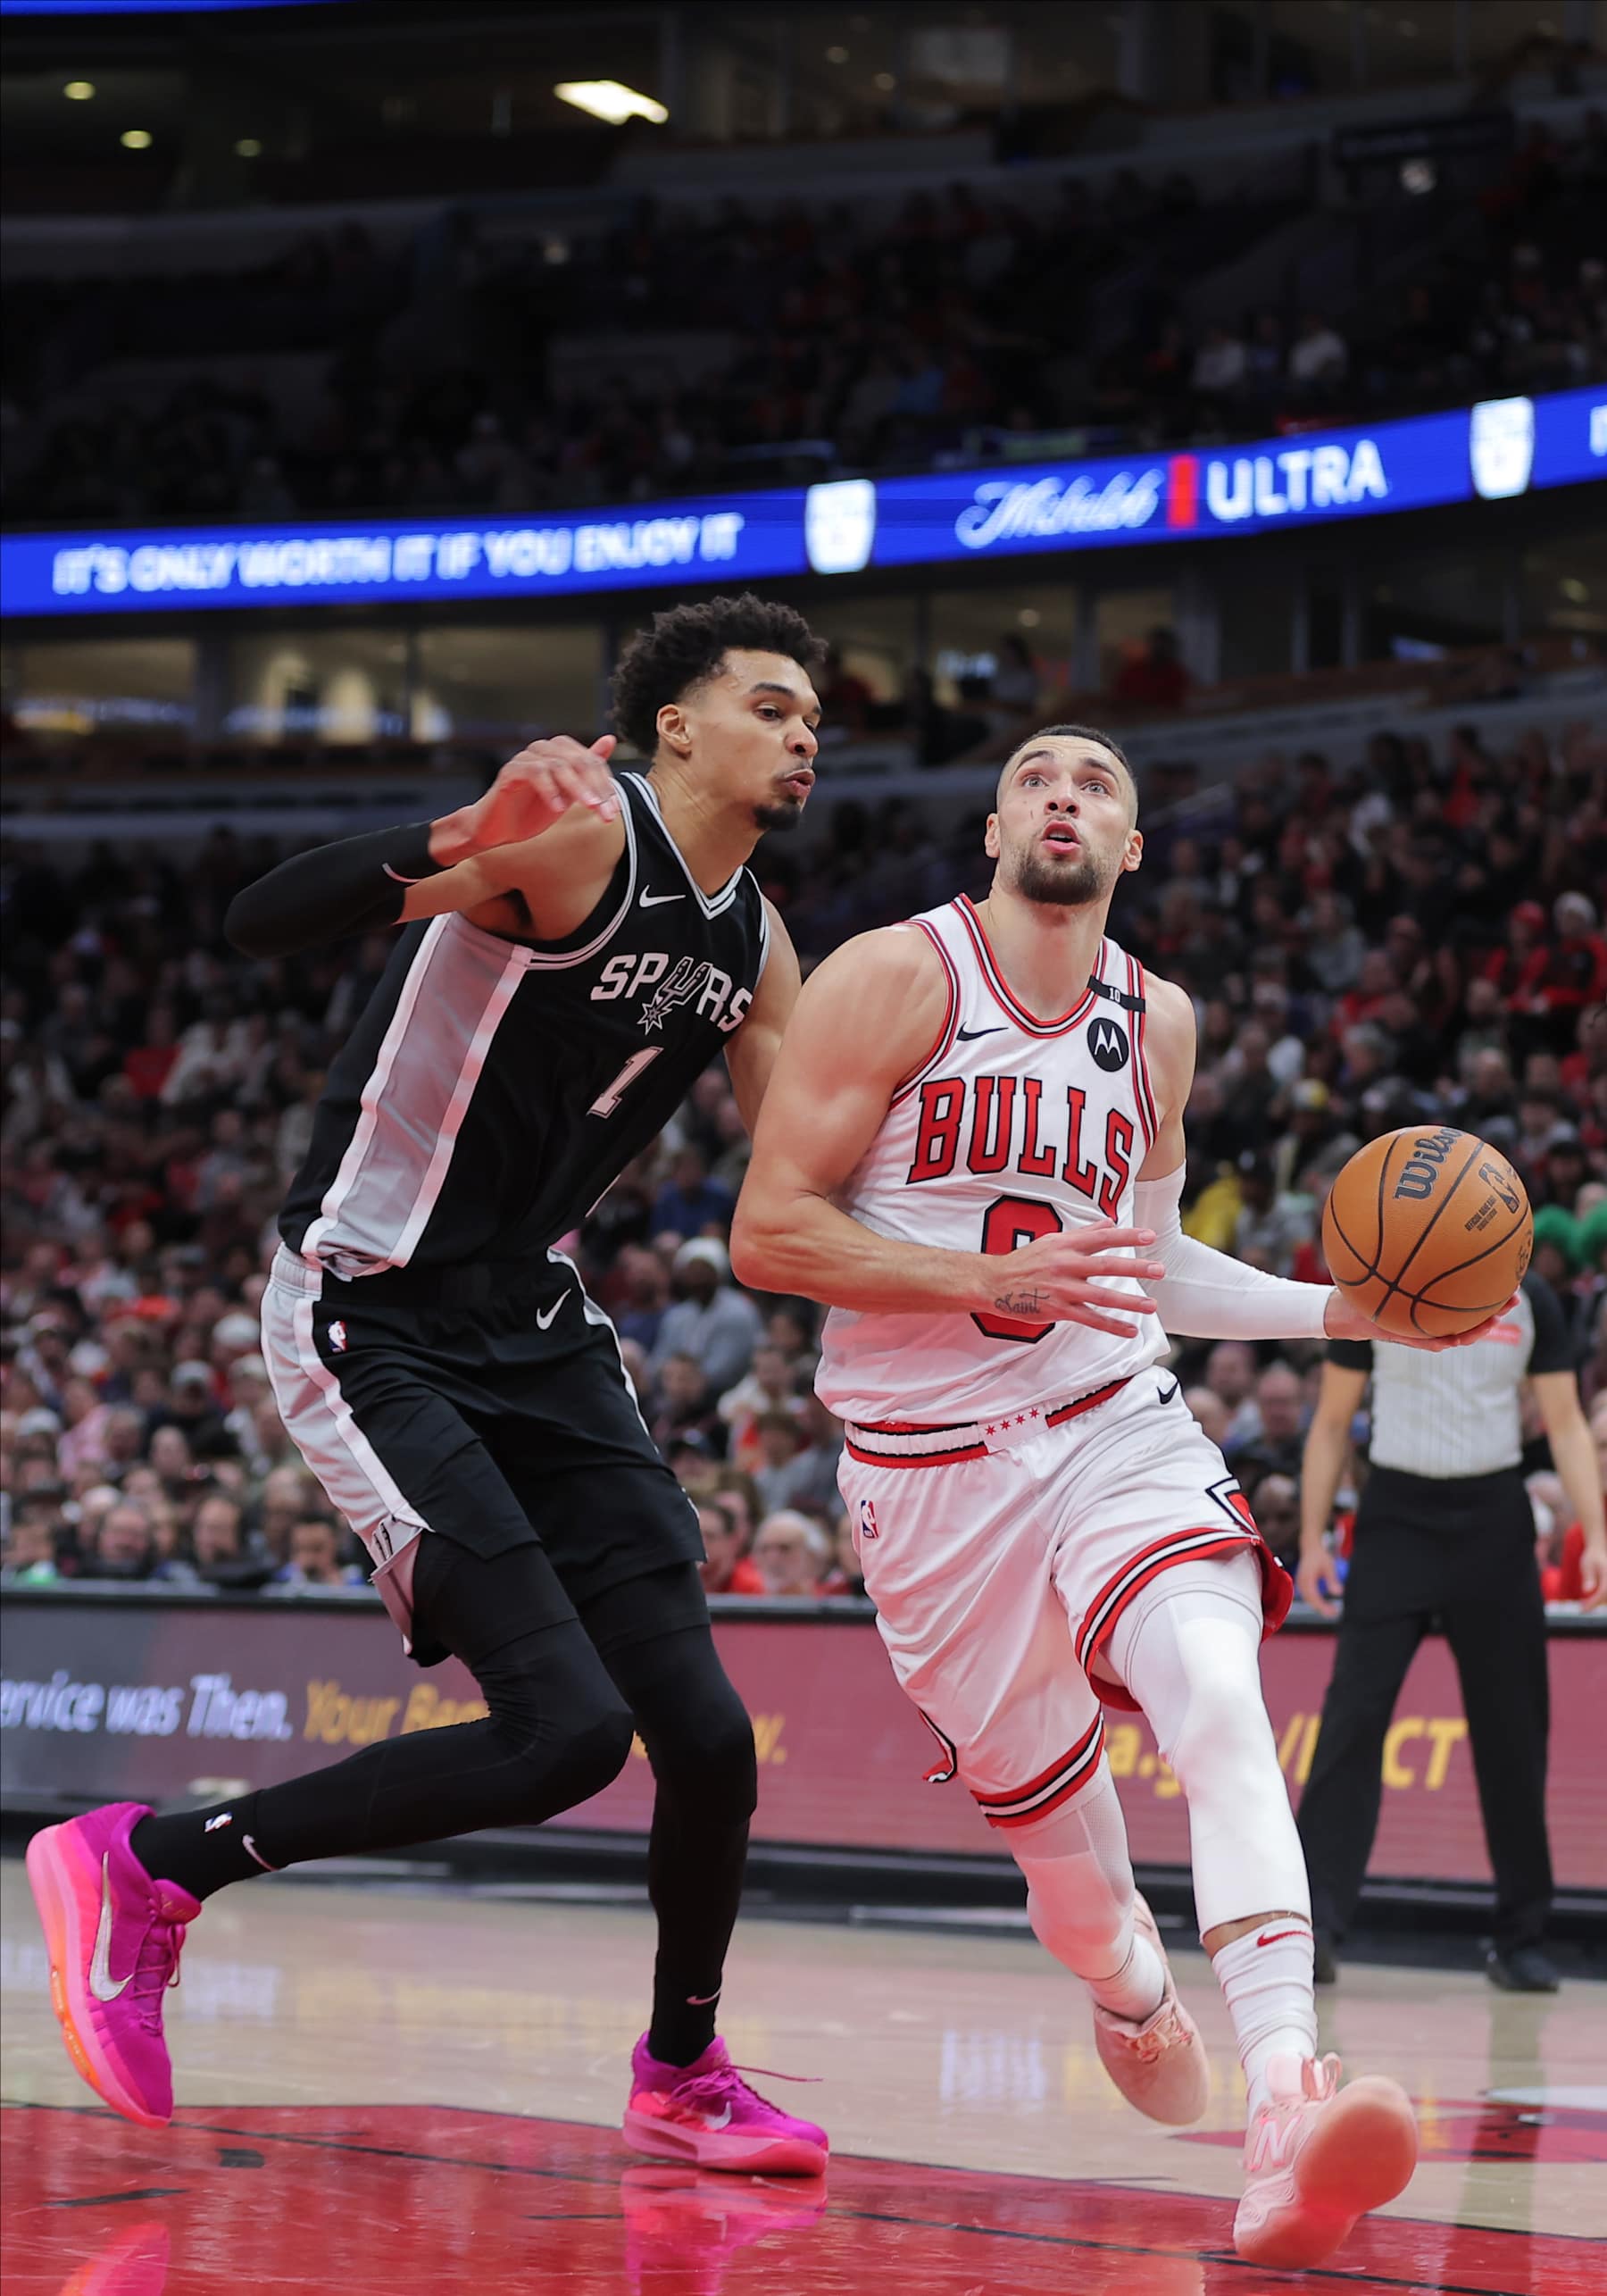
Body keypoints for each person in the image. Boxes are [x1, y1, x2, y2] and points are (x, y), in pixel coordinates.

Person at [25, 592, 829, 2177]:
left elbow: (798, 1169)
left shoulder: (755, 934)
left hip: (535, 1325)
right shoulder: (573, 840)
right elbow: (264, 918)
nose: (804, 732)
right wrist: (452, 826)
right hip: (368, 1313)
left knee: (710, 1740)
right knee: (565, 1735)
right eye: (771, 703)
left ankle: (682, 2070)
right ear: (678, 723)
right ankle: (153, 1863)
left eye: (815, 715)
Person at [731, 722, 1498, 2269]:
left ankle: (1287, 2095)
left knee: (1219, 1695)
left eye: (1096, 786)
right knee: (1078, 1890)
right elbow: (769, 1231)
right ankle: (1130, 1985)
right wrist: (983, 1272)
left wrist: (1343, 1310)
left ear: (1131, 847)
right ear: (997, 827)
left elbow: (1146, 1272)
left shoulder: (1158, 1023)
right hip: (927, 1483)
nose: (1063, 795)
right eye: (1035, 778)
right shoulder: (894, 977)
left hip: (1108, 1424)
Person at [1294, 1272, 1605, 1991]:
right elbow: (1334, 1422)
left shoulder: (1537, 1301)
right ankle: (1313, 1925)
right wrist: (1312, 1539)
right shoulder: (1380, 1285)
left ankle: (1522, 1935)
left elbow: (1563, 1423)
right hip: (1396, 1516)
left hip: (1494, 1519)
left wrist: (1595, 1533)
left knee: (1514, 1733)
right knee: (1351, 1722)